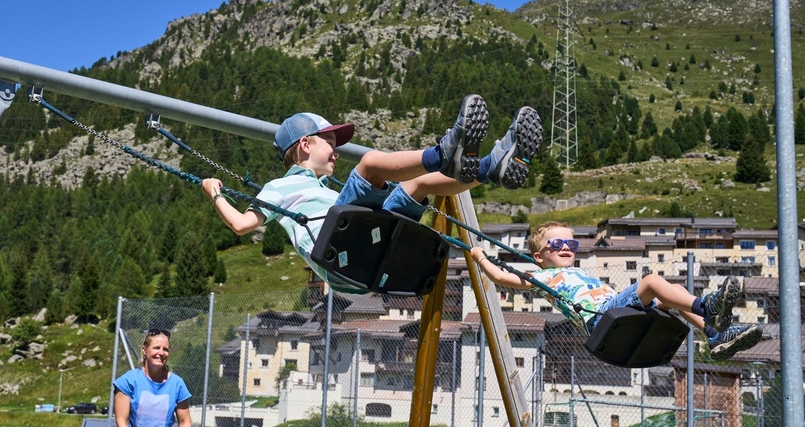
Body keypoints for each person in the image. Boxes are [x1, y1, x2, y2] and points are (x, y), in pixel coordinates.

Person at [202, 94, 543, 293]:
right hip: (339, 255)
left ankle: (489, 169)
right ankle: (443, 153)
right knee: (368, 165)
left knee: (417, 185)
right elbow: (242, 225)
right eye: (330, 143)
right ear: (305, 144)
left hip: (368, 249)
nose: (336, 153)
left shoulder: (324, 189)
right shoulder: (278, 187)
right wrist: (215, 192)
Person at [470, 221, 763, 360]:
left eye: (571, 244)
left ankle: (715, 335)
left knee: (671, 293)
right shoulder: (543, 276)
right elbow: (500, 276)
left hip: (614, 308)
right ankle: (708, 307)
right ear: (538, 256)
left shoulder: (577, 271)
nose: (566, 248)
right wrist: (480, 256)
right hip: (602, 317)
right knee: (651, 281)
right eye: (557, 244)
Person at [111, 328, 193, 427]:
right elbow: (122, 422)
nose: (161, 353)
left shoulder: (177, 384)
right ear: (145, 350)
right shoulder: (128, 381)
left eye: (165, 349)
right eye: (156, 348)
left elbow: (184, 421)